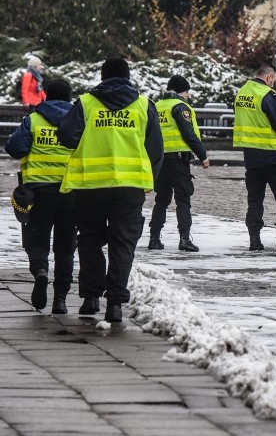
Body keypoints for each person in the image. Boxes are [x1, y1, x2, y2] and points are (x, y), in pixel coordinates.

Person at [57, 57, 164, 324]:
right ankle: (115, 303)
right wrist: (149, 180)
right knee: (123, 244)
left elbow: (67, 137)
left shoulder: (86, 104)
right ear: (128, 77)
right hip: (129, 188)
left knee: (90, 240)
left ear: (102, 77)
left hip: (90, 186)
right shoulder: (143, 105)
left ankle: (91, 298)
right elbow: (156, 150)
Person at [4, 79, 76, 314]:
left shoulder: (34, 119)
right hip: (70, 192)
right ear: (69, 98)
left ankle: (41, 271)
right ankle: (61, 301)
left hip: (37, 194)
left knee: (36, 241)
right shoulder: (78, 122)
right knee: (65, 247)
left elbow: (14, 147)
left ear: (46, 96)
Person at [233, 65, 276, 251]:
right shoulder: (268, 94)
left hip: (251, 156)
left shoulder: (242, 92)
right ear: (268, 77)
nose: (273, 83)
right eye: (273, 80)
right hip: (272, 154)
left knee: (254, 200)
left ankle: (254, 240)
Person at [148, 75, 210, 252]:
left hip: (160, 160)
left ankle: (154, 238)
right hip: (178, 160)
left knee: (161, 199)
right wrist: (203, 155)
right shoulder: (180, 107)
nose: (188, 95)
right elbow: (189, 134)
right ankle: (184, 239)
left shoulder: (156, 106)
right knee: (183, 199)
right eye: (187, 91)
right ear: (182, 91)